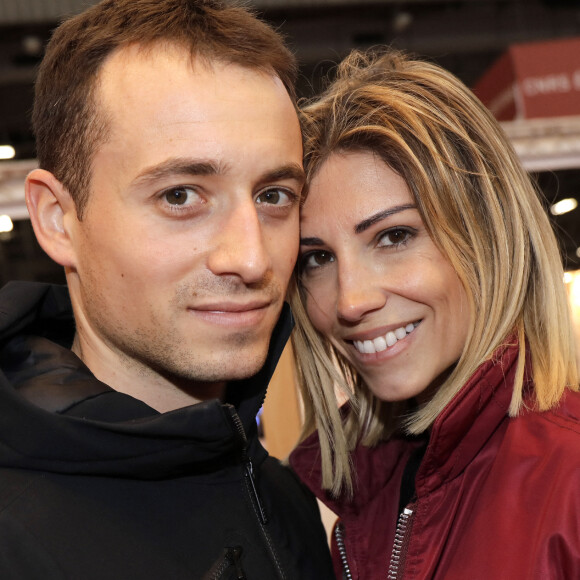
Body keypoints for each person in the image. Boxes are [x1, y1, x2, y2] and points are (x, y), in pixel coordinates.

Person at [0, 0, 335, 578]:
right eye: (181, 196)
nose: (252, 258)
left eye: (273, 195)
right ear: (58, 219)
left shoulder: (287, 499)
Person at [288, 48, 580, 579]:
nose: (350, 301)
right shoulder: (367, 490)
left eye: (394, 236)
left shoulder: (571, 480)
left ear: (486, 236)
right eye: (318, 258)